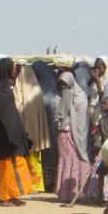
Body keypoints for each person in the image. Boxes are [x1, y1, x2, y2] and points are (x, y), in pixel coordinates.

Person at [0, 58, 34, 207]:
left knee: (15, 164)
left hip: (14, 134)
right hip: (5, 136)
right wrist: (9, 133)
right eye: (13, 68)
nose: (16, 70)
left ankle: (12, 195)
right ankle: (3, 197)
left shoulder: (6, 88)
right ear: (7, 70)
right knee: (7, 166)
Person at [54, 71, 92, 203]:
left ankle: (76, 192)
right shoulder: (62, 96)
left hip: (77, 135)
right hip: (64, 135)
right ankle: (64, 193)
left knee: (76, 160)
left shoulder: (80, 98)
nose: (63, 88)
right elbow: (58, 114)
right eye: (61, 85)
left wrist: (68, 107)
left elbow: (81, 120)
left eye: (65, 85)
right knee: (66, 161)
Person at [12, 65, 51, 192]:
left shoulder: (20, 89)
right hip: (37, 132)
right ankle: (37, 185)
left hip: (25, 130)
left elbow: (16, 106)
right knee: (36, 158)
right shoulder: (37, 89)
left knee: (25, 158)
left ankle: (26, 185)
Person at [31, 60, 59, 191]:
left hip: (41, 128)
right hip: (52, 129)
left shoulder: (38, 88)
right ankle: (50, 183)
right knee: (51, 154)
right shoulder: (54, 86)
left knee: (44, 155)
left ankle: (43, 183)